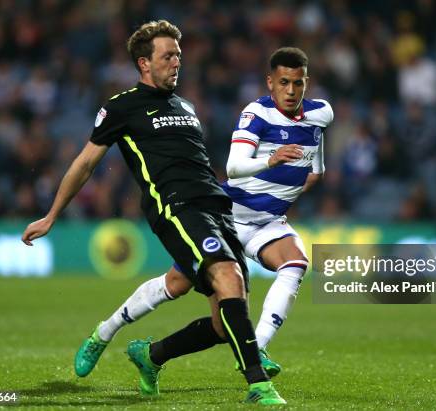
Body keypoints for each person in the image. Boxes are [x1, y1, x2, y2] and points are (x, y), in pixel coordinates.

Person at [21, 20, 285, 405]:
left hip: (216, 206)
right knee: (227, 277)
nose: (176, 62)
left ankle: (151, 355)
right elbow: (84, 164)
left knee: (224, 320)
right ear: (144, 63)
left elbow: (195, 161)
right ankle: (258, 384)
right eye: (168, 56)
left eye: (178, 55)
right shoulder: (121, 107)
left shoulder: (186, 106)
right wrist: (51, 215)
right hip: (175, 207)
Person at [73, 46, 333, 383]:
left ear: (306, 83)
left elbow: (316, 168)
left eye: (297, 84)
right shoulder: (257, 114)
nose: (290, 91)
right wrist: (273, 160)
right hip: (227, 218)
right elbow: (234, 167)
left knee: (295, 264)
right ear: (270, 83)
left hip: (268, 222)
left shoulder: (321, 114)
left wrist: (293, 186)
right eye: (283, 83)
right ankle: (105, 333)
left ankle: (260, 349)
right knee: (175, 286)